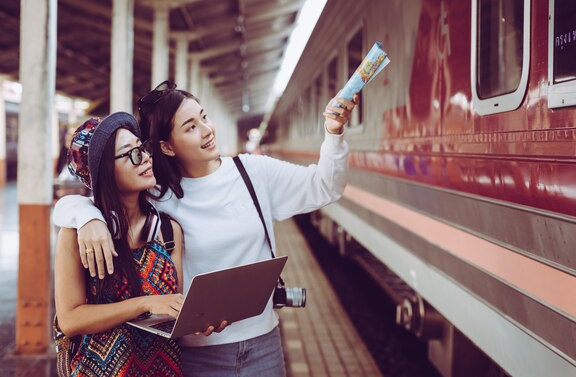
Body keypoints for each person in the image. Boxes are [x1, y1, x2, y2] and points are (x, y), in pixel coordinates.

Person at [53, 81, 359, 377]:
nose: (207, 130)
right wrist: (83, 215)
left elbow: (325, 187)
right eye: (190, 127)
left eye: (203, 117)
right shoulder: (159, 193)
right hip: (194, 354)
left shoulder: (254, 173)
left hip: (263, 341)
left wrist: (333, 135)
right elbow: (104, 197)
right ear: (167, 147)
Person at [54, 112, 187, 377]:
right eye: (132, 154)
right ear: (104, 170)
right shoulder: (77, 235)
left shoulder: (168, 231)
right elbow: (69, 320)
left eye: (143, 149)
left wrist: (202, 319)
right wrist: (143, 304)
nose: (146, 158)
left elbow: (171, 309)